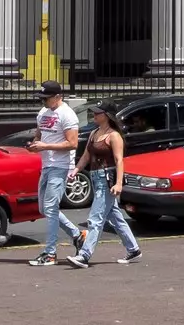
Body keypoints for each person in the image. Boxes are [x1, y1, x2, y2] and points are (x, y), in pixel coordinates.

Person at [66, 105, 140, 268]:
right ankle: (133, 249)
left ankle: (84, 255)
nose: (94, 115)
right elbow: (86, 155)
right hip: (95, 177)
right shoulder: (94, 133)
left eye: (97, 113)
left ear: (106, 115)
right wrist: (76, 170)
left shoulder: (114, 136)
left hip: (107, 180)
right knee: (114, 216)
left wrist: (119, 183)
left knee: (95, 219)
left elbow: (119, 160)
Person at [26, 80, 81, 267]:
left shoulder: (67, 115)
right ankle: (77, 234)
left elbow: (72, 143)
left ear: (58, 97)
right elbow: (39, 135)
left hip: (60, 165)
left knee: (50, 208)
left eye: (46, 98)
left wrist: (45, 146)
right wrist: (34, 145)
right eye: (41, 99)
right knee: (44, 209)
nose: (43, 102)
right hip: (46, 164)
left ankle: (50, 253)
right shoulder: (43, 112)